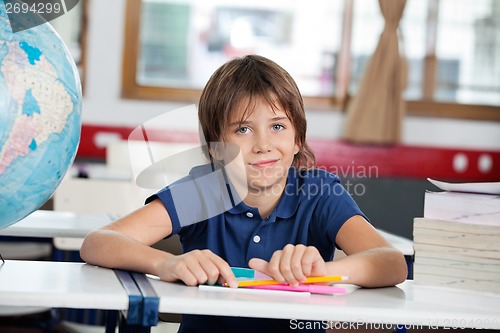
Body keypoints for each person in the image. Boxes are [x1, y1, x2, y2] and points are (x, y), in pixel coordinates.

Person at [80, 54, 407, 332]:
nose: (263, 144)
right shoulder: (203, 191)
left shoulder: (319, 194)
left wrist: (324, 272)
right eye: (243, 129)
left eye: (277, 126)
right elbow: (99, 242)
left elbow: (391, 263)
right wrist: (166, 264)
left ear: (297, 140)